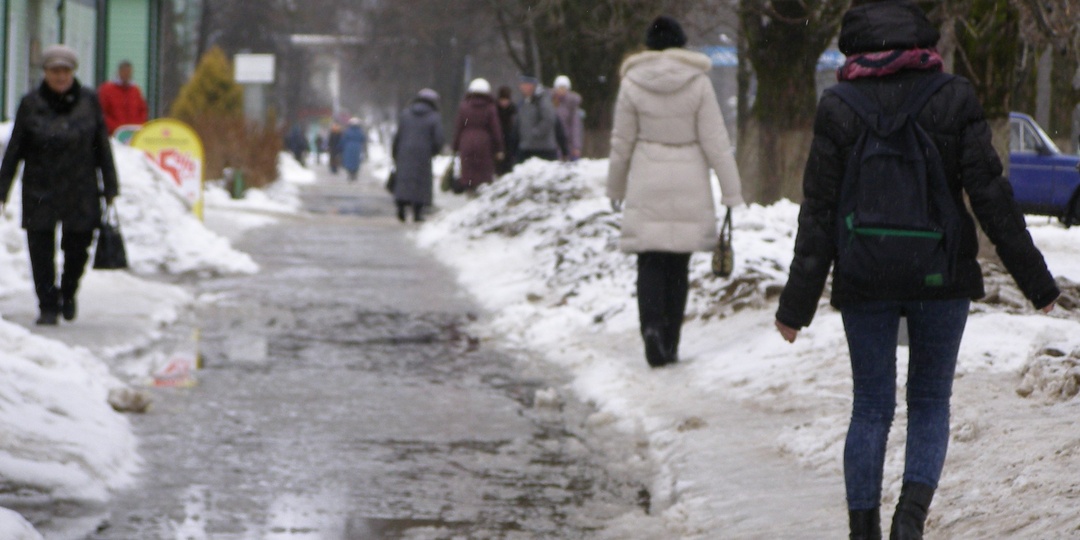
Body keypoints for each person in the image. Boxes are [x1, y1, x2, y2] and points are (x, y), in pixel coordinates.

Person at [773, 2, 1060, 539]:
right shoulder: (952, 97)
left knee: (870, 407)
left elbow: (818, 213)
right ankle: (909, 523)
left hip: (864, 278)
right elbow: (990, 197)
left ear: (854, 47)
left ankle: (864, 530)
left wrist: (795, 306)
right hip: (940, 275)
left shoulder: (838, 105)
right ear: (924, 44)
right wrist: (1037, 283)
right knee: (929, 403)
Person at [607, 16, 744, 368]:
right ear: (682, 43)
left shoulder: (632, 82)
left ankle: (651, 329)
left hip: (647, 177)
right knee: (678, 266)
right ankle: (671, 340)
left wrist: (615, 186)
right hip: (689, 178)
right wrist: (731, 192)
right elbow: (716, 140)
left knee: (650, 261)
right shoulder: (698, 83)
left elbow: (621, 142)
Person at [0, 45, 119, 325]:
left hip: (81, 187)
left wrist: (110, 184)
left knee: (78, 246)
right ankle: (47, 305)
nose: (60, 76)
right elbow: (15, 148)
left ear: (73, 73)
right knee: (40, 250)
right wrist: (2, 188)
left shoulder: (88, 102)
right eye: (55, 71)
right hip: (40, 188)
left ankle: (68, 290)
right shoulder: (31, 103)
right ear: (45, 73)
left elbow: (102, 144)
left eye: (65, 71)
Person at [392, 89, 444, 222]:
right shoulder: (434, 117)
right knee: (421, 182)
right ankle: (417, 212)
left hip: (405, 152)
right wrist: (435, 150)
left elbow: (398, 135)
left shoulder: (405, 114)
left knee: (404, 179)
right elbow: (438, 138)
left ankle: (401, 208)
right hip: (423, 153)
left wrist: (395, 152)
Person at [452, 78, 504, 193]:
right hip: (484, 144)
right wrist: (499, 148)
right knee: (483, 174)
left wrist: (455, 146)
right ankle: (481, 195)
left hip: (466, 142)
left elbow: (458, 127)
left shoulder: (464, 107)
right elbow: (496, 129)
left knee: (469, 173)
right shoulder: (490, 108)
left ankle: (470, 192)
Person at [515, 75, 559, 162]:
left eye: (523, 84)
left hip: (542, 148)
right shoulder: (525, 100)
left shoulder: (542, 99)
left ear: (531, 85)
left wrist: (535, 133)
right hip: (527, 146)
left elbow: (548, 119)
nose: (521, 87)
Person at [97, 60, 148, 135]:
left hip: (133, 135)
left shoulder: (135, 91)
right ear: (119, 72)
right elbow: (101, 112)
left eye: (129, 72)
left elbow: (143, 110)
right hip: (113, 134)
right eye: (125, 72)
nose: (127, 75)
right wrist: (115, 128)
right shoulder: (107, 90)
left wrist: (138, 126)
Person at [551, 75, 584, 161]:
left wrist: (576, 147)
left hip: (567, 143)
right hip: (552, 143)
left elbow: (575, 127)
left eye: (564, 88)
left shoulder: (572, 105)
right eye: (559, 88)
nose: (561, 91)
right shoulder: (550, 103)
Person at [495, 86, 519, 175]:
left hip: (510, 142)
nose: (504, 102)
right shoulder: (495, 109)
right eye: (502, 99)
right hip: (498, 141)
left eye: (506, 100)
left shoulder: (513, 109)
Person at [341, 117, 367, 182]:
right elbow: (363, 139)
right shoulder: (360, 131)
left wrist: (341, 147)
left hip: (349, 147)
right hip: (357, 147)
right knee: (356, 161)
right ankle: (354, 174)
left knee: (349, 161)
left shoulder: (347, 131)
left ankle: (350, 174)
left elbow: (343, 140)